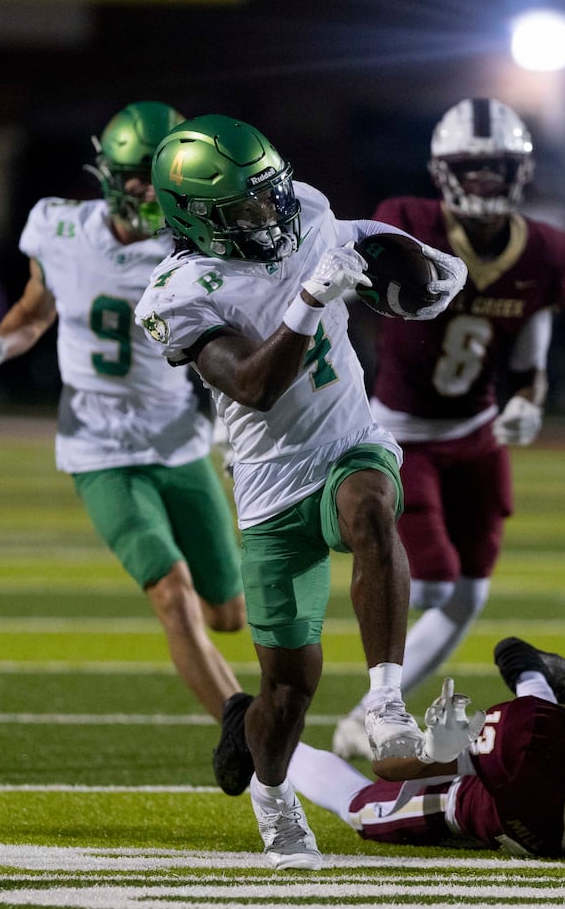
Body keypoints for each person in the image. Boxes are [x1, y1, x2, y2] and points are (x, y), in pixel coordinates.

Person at [133, 114, 467, 870]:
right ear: (198, 219)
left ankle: (386, 698)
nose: (272, 215)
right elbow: (252, 385)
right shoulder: (174, 292)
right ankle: (274, 796)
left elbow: (358, 242)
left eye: (271, 195)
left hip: (350, 439)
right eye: (248, 208)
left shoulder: (303, 210)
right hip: (270, 481)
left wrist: (418, 270)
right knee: (286, 694)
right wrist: (309, 301)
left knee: (372, 509)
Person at [0, 101, 253, 794]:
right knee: (170, 593)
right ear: (110, 175)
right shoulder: (60, 228)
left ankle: (242, 710)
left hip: (179, 440)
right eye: (140, 177)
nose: (151, 192)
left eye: (162, 177)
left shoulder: (194, 245)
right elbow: (36, 311)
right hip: (97, 447)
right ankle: (243, 728)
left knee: (228, 613)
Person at [330, 97, 565, 760]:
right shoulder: (405, 224)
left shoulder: (547, 250)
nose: (487, 182)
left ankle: (363, 717)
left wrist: (529, 397)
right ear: (443, 173)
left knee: (470, 592)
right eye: (473, 170)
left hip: (474, 431)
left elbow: (531, 344)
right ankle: (375, 706)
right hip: (400, 430)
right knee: (435, 583)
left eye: (498, 168)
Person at [288, 637, 565, 860]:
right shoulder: (523, 741)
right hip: (487, 808)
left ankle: (525, 664)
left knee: (543, 726)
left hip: (543, 763)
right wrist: (431, 752)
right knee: (362, 810)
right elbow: (389, 768)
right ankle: (271, 747)